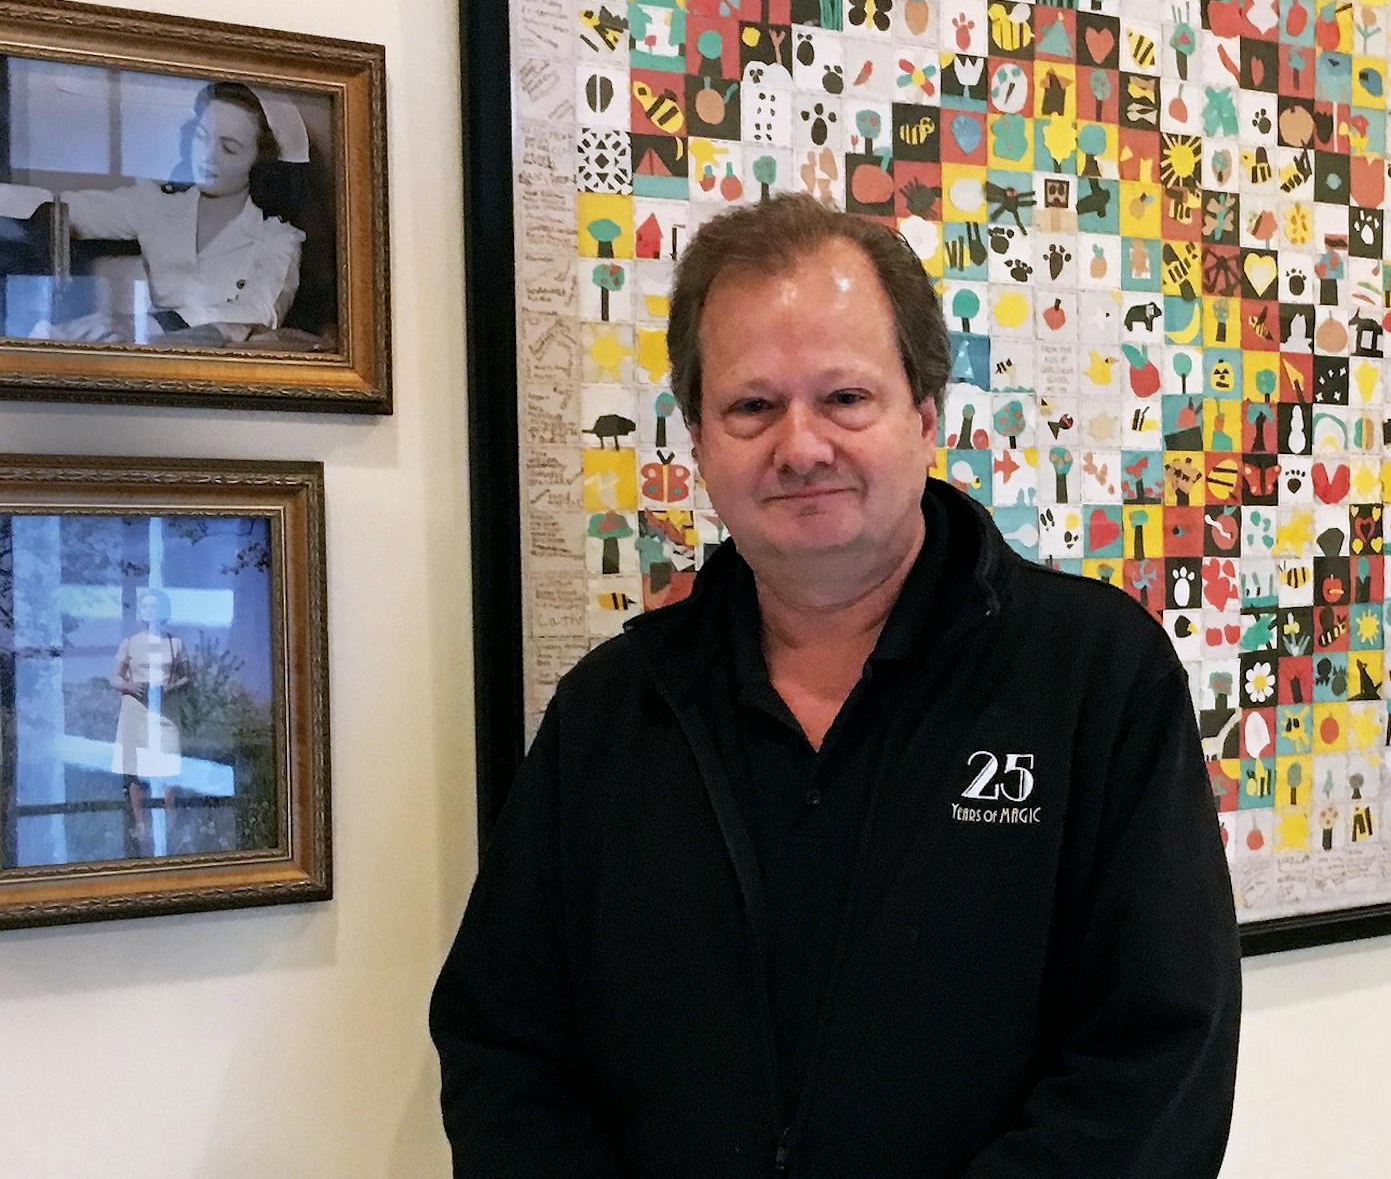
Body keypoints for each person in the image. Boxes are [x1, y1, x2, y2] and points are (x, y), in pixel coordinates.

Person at [431, 193, 1241, 1177]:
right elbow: (504, 1050)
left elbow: (1159, 1059)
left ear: (925, 415)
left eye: (845, 399)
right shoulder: (614, 709)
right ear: (699, 439)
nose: (800, 445)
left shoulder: (1093, 675)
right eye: (752, 406)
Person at [48, 81, 304, 343]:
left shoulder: (278, 236)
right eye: (201, 137)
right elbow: (66, 208)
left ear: (260, 162)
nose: (207, 156)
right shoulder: (156, 204)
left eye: (228, 149)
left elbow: (258, 312)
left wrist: (153, 324)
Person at [110, 588, 188, 857]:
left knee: (168, 766)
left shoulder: (174, 643)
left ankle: (170, 823)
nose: (150, 611)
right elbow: (115, 678)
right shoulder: (130, 642)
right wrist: (131, 686)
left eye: (155, 606)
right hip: (135, 710)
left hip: (164, 711)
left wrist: (171, 688)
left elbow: (186, 676)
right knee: (134, 768)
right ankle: (140, 824)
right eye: (146, 606)